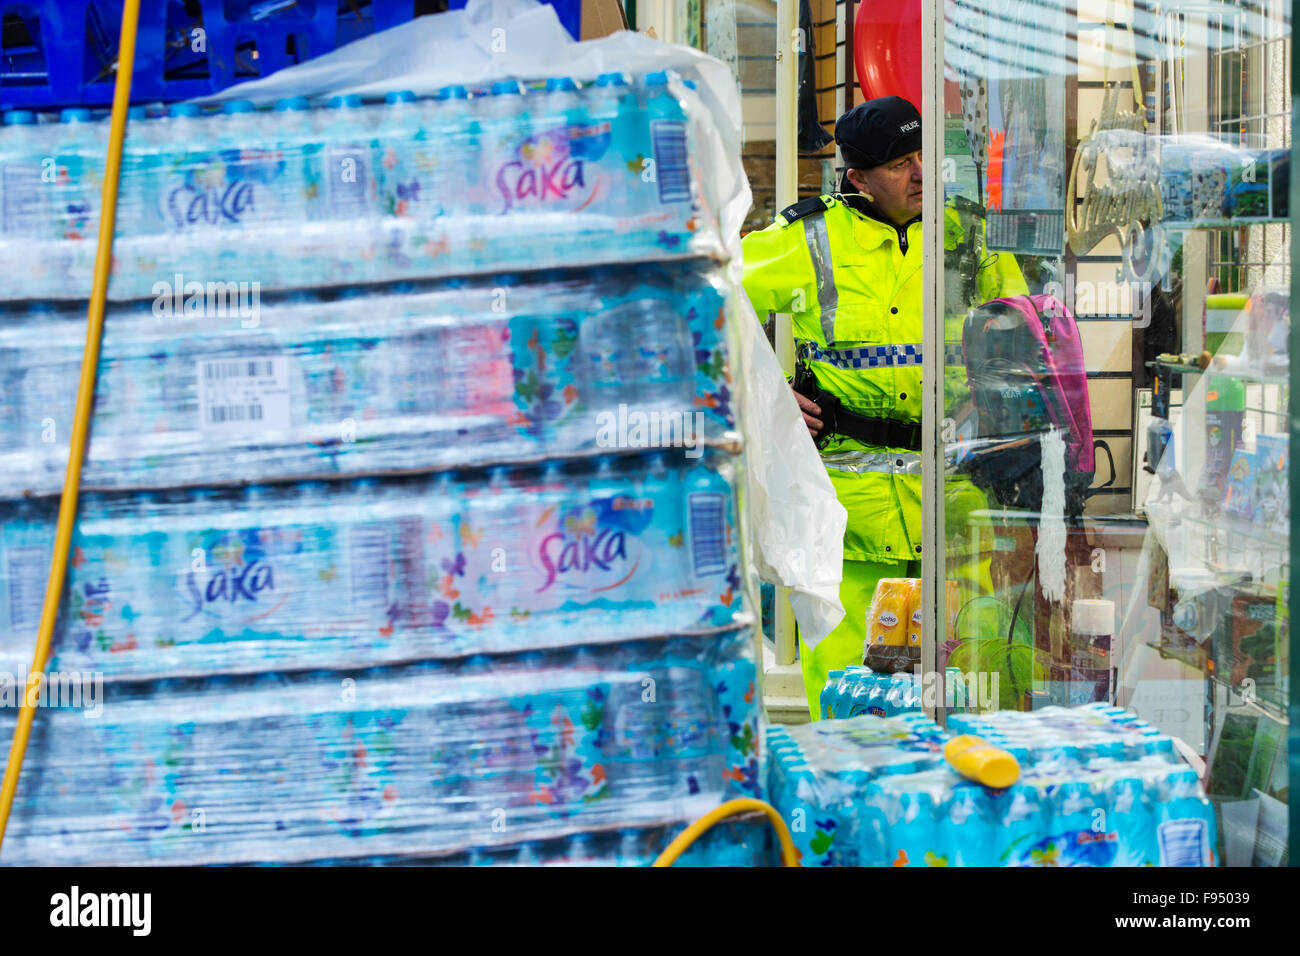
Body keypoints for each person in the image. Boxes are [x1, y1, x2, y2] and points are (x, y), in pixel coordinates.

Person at [741, 96, 1028, 718]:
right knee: (850, 715)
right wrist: (760, 394)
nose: (921, 173)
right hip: (850, 528)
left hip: (957, 512)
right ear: (858, 179)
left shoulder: (971, 240)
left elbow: (1031, 336)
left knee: (968, 707)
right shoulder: (806, 237)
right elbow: (701, 305)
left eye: (925, 155)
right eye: (900, 163)